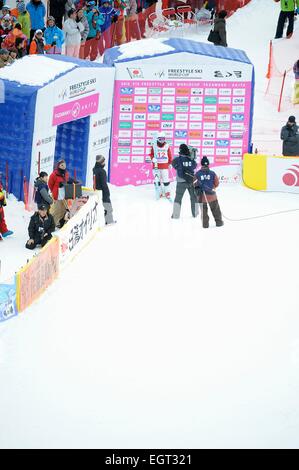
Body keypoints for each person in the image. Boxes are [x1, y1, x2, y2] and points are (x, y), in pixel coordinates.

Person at [193, 156, 223, 228]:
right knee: (216, 210)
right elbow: (217, 183)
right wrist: (212, 187)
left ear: (201, 164)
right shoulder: (212, 173)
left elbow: (194, 184)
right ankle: (219, 223)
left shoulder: (197, 174)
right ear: (208, 164)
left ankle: (205, 225)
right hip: (212, 196)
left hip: (201, 197)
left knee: (204, 212)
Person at [171, 143, 198, 219]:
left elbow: (173, 164)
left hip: (181, 182)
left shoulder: (177, 159)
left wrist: (179, 168)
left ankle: (176, 215)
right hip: (191, 181)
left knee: (178, 198)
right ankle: (195, 214)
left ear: (180, 150)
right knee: (194, 197)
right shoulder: (191, 159)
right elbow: (195, 165)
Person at [93, 155, 116, 225]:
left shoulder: (94, 169)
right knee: (108, 206)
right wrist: (107, 193)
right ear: (101, 162)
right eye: (104, 161)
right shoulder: (102, 171)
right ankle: (109, 221)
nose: (105, 162)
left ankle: (107, 220)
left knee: (103, 206)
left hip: (96, 190)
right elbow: (104, 184)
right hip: (102, 191)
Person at [149, 131, 172, 199]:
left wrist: (170, 163)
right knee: (157, 180)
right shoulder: (154, 145)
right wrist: (153, 158)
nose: (162, 141)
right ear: (157, 139)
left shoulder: (167, 145)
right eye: (160, 139)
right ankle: (159, 192)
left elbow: (169, 155)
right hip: (156, 166)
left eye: (163, 139)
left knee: (166, 180)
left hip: (164, 165)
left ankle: (167, 192)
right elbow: (151, 154)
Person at [48, 159, 70, 227]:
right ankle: (50, 225)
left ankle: (58, 223)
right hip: (57, 195)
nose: (63, 166)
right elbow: (50, 184)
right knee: (56, 211)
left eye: (64, 165)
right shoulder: (54, 174)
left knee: (63, 210)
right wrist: (54, 191)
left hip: (64, 195)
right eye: (62, 165)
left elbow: (67, 181)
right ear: (58, 166)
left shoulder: (66, 173)